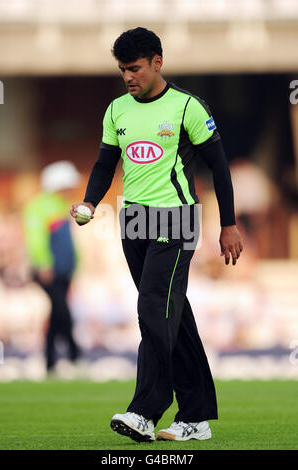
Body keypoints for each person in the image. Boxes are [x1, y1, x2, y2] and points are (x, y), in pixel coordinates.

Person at [71, 27, 243, 442]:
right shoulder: (117, 111)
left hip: (176, 220)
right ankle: (196, 417)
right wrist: (91, 202)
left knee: (152, 308)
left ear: (157, 63)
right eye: (122, 70)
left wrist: (229, 224)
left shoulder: (187, 107)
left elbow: (219, 167)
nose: (128, 77)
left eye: (134, 68)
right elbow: (104, 163)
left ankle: (144, 411)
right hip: (133, 223)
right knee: (172, 314)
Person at [23, 160, 81, 373]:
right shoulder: (39, 206)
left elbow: (68, 242)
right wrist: (44, 264)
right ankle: (75, 355)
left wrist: (75, 266)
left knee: (57, 315)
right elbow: (36, 239)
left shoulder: (60, 205)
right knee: (62, 313)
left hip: (64, 270)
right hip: (50, 271)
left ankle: (50, 363)